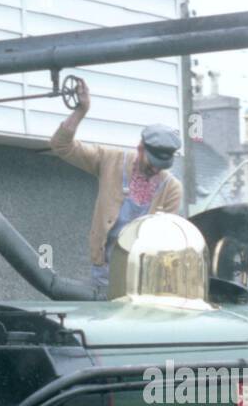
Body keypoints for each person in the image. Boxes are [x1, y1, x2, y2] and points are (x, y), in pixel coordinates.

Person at [49, 80, 183, 291]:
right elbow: (61, 145)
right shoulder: (110, 160)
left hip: (144, 277)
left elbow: (165, 238)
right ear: (140, 149)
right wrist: (81, 111)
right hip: (103, 272)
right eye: (153, 164)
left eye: (162, 166)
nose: (156, 171)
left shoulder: (171, 188)